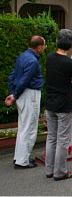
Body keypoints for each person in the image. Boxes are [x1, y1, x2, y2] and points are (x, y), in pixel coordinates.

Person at [45, 29, 72, 180]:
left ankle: (50, 170)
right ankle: (60, 172)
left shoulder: (49, 57)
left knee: (51, 137)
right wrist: (70, 81)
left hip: (50, 103)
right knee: (62, 139)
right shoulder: (71, 63)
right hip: (64, 104)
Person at [5, 36, 45, 169]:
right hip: (30, 94)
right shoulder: (33, 61)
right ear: (39, 47)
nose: (44, 48)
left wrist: (13, 93)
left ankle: (20, 157)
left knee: (23, 127)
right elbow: (25, 80)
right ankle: (23, 160)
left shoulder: (22, 56)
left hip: (22, 95)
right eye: (43, 46)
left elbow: (13, 75)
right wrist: (15, 95)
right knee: (30, 128)